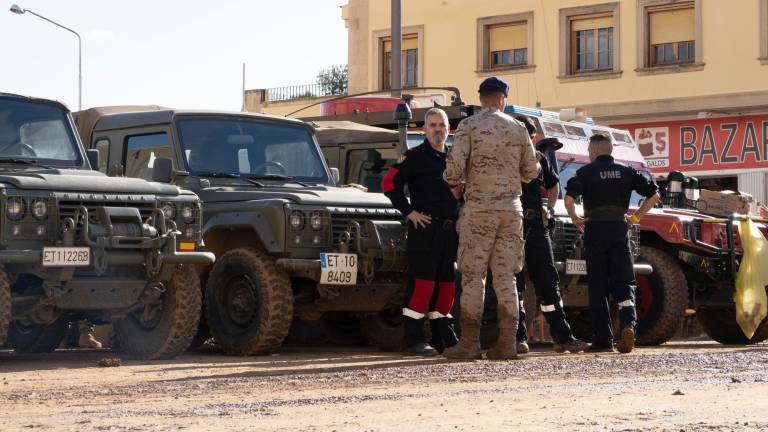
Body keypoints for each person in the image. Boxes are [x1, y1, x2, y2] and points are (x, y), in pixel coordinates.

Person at [443, 77, 539, 360]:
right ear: (502, 99)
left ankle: (469, 342)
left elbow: (452, 172)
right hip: (511, 211)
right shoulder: (518, 127)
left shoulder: (469, 126)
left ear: (482, 98)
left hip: (479, 212)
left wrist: (460, 180)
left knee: (473, 277)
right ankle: (507, 342)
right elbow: (531, 172)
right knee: (506, 277)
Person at [564, 134, 660, 353]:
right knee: (625, 281)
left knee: (598, 286)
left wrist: (575, 218)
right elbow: (654, 195)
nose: (589, 155)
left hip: (594, 230)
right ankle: (628, 325)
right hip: (619, 228)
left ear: (595, 151)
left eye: (589, 152)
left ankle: (603, 340)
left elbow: (569, 200)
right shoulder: (627, 172)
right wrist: (635, 218)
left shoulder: (584, 173)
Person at [381, 107, 462, 355]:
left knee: (447, 285)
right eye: (433, 125)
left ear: (449, 129)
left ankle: (443, 338)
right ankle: (413, 339)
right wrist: (409, 213)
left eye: (442, 125)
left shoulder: (455, 158)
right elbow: (388, 184)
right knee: (423, 284)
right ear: (425, 129)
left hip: (451, 232)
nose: (438, 129)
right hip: (425, 230)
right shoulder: (414, 156)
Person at [512, 118, 590, 354]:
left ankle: (563, 338)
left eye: (529, 133)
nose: (526, 137)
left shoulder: (539, 158)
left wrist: (549, 207)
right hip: (510, 224)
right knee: (513, 284)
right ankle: (517, 339)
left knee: (548, 282)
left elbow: (554, 185)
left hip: (535, 223)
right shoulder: (502, 158)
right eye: (523, 132)